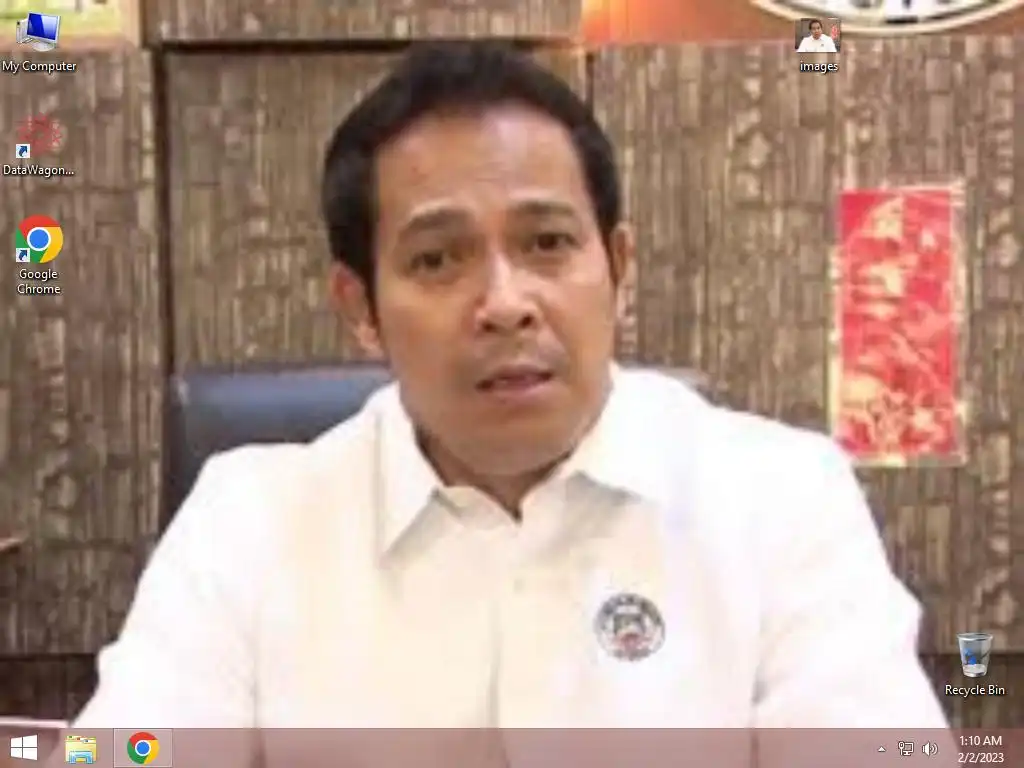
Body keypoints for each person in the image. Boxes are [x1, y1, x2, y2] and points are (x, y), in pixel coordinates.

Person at [74, 41, 946, 731]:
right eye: (436, 259)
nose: (504, 304)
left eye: (547, 244)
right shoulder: (248, 525)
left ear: (619, 267)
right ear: (360, 307)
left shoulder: (781, 501)